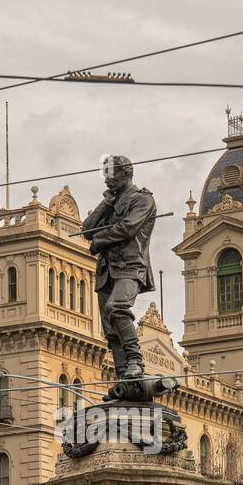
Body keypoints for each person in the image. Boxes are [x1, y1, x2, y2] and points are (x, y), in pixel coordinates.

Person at [82, 155, 156, 379]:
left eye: (111, 174)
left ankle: (135, 360)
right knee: (110, 329)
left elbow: (127, 228)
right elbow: (87, 229)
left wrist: (99, 241)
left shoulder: (142, 200)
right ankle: (124, 378)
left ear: (126, 173)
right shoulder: (110, 204)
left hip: (130, 266)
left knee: (117, 307)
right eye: (105, 175)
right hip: (106, 271)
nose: (107, 180)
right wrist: (106, 203)